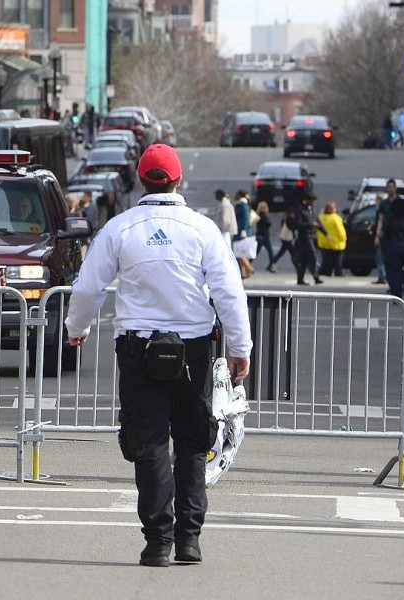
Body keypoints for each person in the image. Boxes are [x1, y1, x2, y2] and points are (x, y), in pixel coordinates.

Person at [64, 144, 252, 567]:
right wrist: (241, 348)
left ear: (142, 179)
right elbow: (228, 292)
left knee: (147, 443)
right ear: (177, 180)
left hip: (139, 348)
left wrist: (78, 329)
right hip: (195, 348)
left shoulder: (120, 227)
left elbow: (88, 287)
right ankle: (189, 538)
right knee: (191, 442)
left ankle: (157, 542)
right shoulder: (202, 229)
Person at [294, 194, 326, 285]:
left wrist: (325, 233)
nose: (313, 203)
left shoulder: (312, 210)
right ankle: (316, 276)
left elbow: (318, 222)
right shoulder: (301, 210)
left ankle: (300, 278)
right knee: (313, 256)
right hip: (305, 237)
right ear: (307, 200)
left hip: (313, 236)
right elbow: (297, 224)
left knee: (305, 259)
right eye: (312, 201)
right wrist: (310, 224)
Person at [317, 201, 347, 277]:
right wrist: (344, 238)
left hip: (324, 242)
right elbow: (340, 230)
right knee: (338, 259)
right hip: (337, 242)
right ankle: (338, 272)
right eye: (334, 208)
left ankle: (327, 271)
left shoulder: (320, 217)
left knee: (327, 259)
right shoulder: (335, 218)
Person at [232, 189, 256, 279]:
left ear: (240, 195)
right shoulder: (243, 204)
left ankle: (249, 268)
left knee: (238, 252)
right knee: (242, 252)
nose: (234, 195)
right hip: (242, 232)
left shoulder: (242, 205)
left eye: (236, 193)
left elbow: (245, 219)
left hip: (241, 232)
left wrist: (243, 230)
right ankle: (243, 272)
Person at [254, 200, 274, 269]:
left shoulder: (259, 215)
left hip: (263, 236)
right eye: (262, 207)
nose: (264, 209)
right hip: (262, 236)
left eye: (264, 207)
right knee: (258, 251)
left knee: (269, 251)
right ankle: (247, 263)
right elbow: (268, 224)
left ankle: (271, 264)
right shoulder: (262, 215)